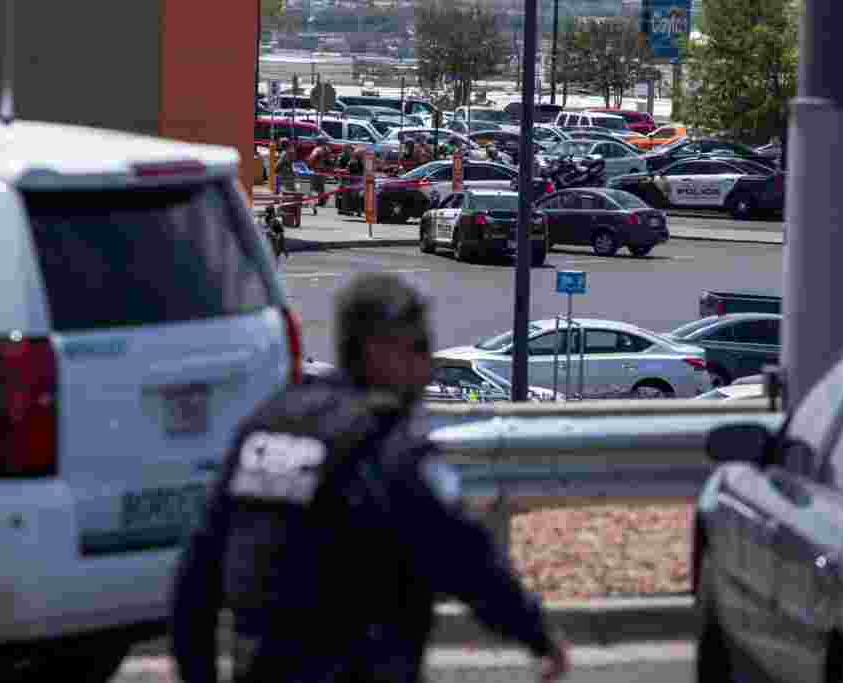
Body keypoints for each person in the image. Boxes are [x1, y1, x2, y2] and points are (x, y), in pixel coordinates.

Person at [170, 273, 571, 683]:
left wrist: (197, 672)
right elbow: (466, 558)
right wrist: (537, 635)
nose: (429, 364)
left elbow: (196, 573)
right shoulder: (390, 445)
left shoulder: (268, 425)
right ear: (377, 350)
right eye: (419, 347)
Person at [307, 135, 333, 215]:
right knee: (321, 187)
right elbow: (330, 161)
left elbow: (312, 158)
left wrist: (309, 165)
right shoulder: (327, 150)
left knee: (313, 189)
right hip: (323, 171)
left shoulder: (317, 149)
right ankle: (321, 201)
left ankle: (313, 204)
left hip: (316, 171)